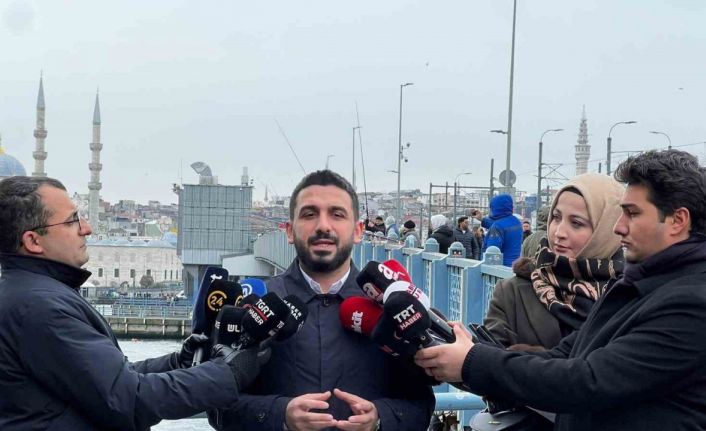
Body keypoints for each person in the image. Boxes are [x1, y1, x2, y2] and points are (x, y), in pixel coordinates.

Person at [415, 150, 706, 430]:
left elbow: (588, 381)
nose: (619, 227)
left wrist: (472, 361)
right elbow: (566, 356)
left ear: (678, 221)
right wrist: (472, 352)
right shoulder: (639, 284)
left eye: (632, 213)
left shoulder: (691, 302)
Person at [0, 176, 266, 430]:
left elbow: (107, 381)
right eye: (72, 221)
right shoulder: (39, 308)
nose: (86, 228)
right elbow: (127, 400)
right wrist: (229, 373)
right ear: (33, 241)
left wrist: (177, 363)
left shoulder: (31, 295)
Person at [215, 170, 434, 430]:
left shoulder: (394, 307)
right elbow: (218, 406)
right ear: (289, 231)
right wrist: (280, 416)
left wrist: (379, 419)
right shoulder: (255, 306)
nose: (323, 226)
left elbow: (422, 405)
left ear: (358, 231)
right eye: (309, 214)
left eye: (337, 214)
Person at [484, 173, 625, 350]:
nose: (559, 232)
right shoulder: (512, 292)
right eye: (556, 217)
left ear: (605, 231)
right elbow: (488, 361)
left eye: (576, 223)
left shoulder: (631, 294)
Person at [472, 194, 522, 266]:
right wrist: (482, 219)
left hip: (500, 267)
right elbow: (503, 226)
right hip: (514, 265)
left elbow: (492, 253)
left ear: (496, 208)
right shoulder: (516, 221)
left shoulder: (497, 226)